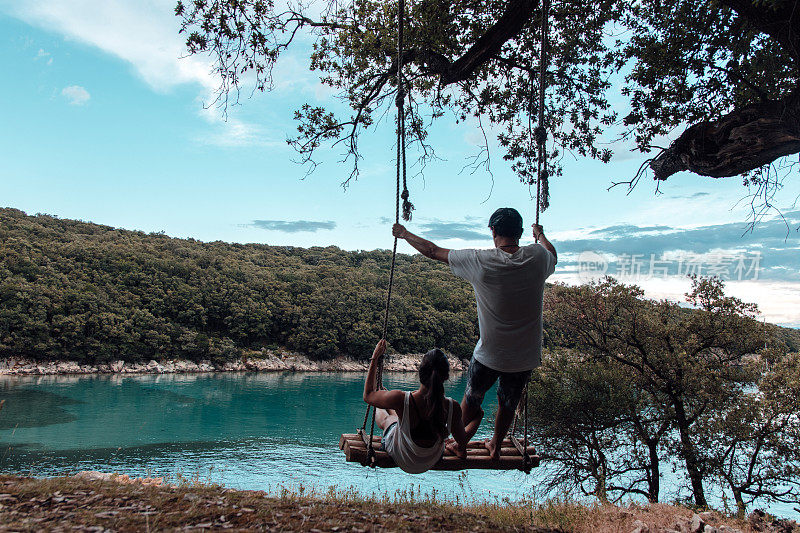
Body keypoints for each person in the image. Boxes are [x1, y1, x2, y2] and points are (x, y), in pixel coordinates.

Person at [392, 207, 557, 460]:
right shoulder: (537, 257)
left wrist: (404, 234)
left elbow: (432, 251)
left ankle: (457, 443)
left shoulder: (480, 260)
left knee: (472, 397)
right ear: (521, 233)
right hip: (525, 356)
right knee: (508, 404)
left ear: (492, 231)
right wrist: (541, 235)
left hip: (490, 353)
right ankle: (496, 444)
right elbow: (552, 254)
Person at [363, 339, 469, 474]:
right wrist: (476, 419)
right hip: (431, 459)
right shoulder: (452, 407)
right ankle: (385, 404)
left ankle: (380, 406)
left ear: (420, 372)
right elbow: (462, 441)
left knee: (388, 421)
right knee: (399, 417)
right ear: (446, 376)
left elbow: (368, 395)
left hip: (402, 457)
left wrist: (375, 358)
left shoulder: (401, 399)